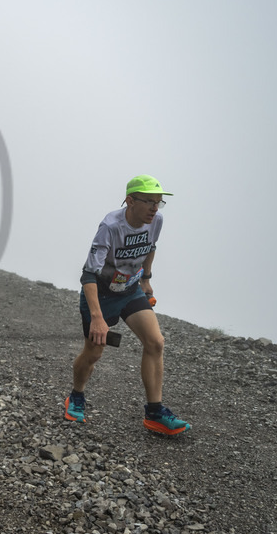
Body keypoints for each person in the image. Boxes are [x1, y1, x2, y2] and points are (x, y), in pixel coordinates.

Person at [64, 174, 191, 436]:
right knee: (94, 354)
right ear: (130, 201)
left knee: (155, 342)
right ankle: (76, 396)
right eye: (149, 202)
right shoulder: (110, 226)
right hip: (100, 294)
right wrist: (98, 318)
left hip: (131, 290)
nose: (155, 208)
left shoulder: (156, 220)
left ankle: (154, 413)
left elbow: (151, 246)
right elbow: (88, 274)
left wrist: (146, 278)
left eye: (159, 203)